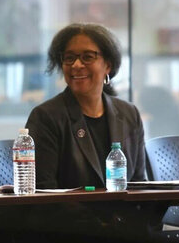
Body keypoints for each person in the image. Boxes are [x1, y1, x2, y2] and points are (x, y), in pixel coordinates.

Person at [25, 22, 147, 189]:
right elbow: (43, 193)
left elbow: (140, 184)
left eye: (88, 57)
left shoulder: (129, 114)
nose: (76, 65)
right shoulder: (46, 117)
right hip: (69, 214)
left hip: (125, 214)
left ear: (108, 65)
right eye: (69, 58)